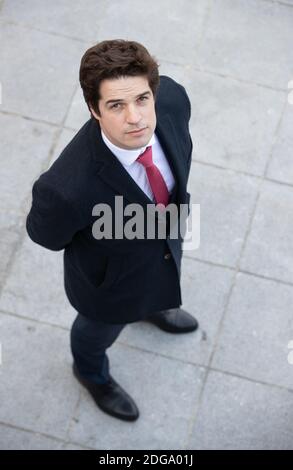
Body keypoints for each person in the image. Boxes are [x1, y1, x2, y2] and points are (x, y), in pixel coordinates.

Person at [26, 39, 199, 422]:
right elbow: (46, 235)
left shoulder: (172, 101)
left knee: (161, 272)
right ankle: (90, 373)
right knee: (96, 332)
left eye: (141, 99)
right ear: (94, 110)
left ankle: (153, 305)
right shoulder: (66, 188)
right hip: (110, 283)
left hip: (166, 233)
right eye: (116, 106)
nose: (135, 117)